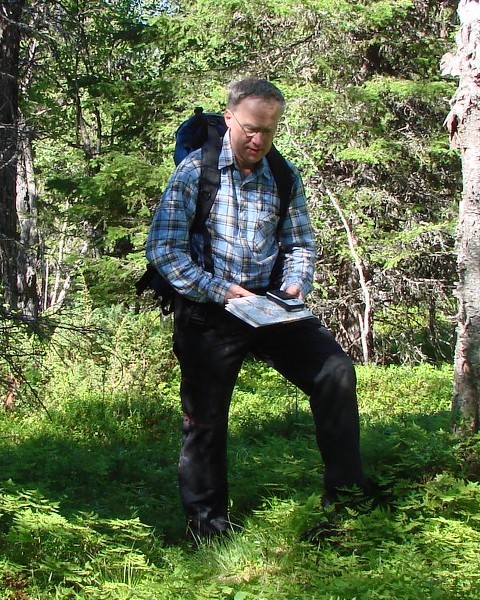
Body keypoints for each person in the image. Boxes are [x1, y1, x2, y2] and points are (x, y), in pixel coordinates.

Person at [145, 77, 366, 537]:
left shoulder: (283, 176)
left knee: (336, 373)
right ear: (229, 119)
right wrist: (218, 290)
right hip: (209, 307)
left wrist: (294, 284)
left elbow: (300, 243)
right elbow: (164, 250)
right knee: (205, 418)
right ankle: (207, 526)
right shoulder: (194, 172)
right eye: (249, 128)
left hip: (270, 306)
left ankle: (346, 498)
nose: (258, 140)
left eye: (268, 130)